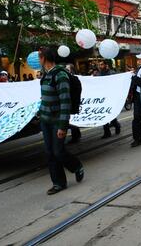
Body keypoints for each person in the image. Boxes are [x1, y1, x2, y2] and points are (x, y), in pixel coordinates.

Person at [38, 47, 84, 195]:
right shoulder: (46, 75)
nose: (38, 60)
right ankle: (58, 183)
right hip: (45, 120)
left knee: (58, 152)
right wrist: (40, 112)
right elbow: (45, 97)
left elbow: (65, 102)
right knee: (50, 153)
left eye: (39, 57)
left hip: (57, 120)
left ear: (44, 58)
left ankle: (76, 166)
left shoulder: (60, 75)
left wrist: (63, 126)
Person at [97, 60, 121, 139]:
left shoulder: (111, 73)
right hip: (102, 97)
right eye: (99, 65)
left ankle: (116, 125)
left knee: (111, 115)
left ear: (106, 65)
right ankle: (107, 132)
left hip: (110, 97)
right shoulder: (99, 74)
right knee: (104, 115)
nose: (100, 66)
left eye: (101, 64)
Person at [65, 63, 82, 144]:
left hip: (73, 103)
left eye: (68, 69)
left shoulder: (74, 79)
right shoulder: (66, 79)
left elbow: (78, 91)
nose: (66, 71)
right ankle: (76, 135)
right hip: (70, 103)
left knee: (72, 120)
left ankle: (75, 136)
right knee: (71, 120)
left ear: (71, 70)